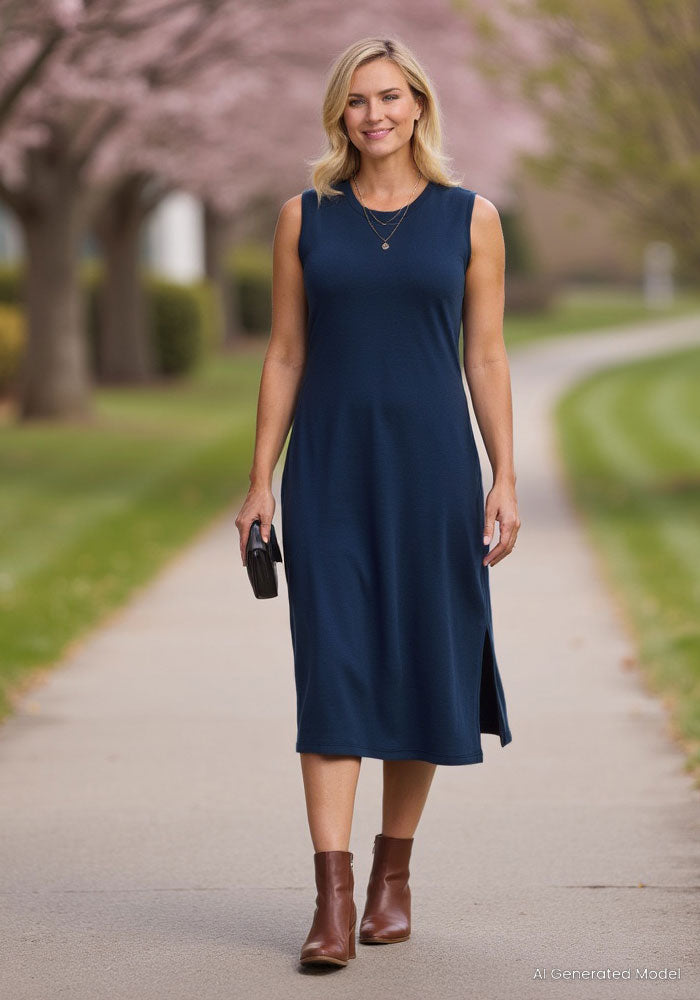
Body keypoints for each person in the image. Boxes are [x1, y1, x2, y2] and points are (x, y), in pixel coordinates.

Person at [234, 36, 521, 970]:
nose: (375, 115)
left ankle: (394, 876)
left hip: (434, 473)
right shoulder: (303, 218)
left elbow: (485, 354)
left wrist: (504, 475)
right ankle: (333, 897)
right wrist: (259, 481)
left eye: (390, 97)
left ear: (420, 106)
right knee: (335, 672)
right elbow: (284, 352)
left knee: (422, 666)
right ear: (339, 115)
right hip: (330, 474)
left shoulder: (472, 219)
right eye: (358, 101)